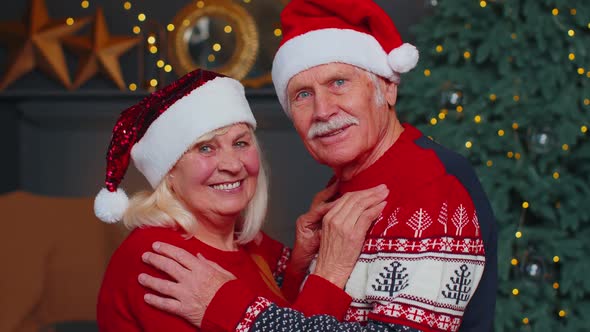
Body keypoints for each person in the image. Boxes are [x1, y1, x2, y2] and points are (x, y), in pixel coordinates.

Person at [139, 0, 498, 331]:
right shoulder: (348, 185)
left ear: (388, 88)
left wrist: (230, 308)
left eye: (339, 83)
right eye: (303, 95)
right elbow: (316, 314)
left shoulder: (430, 185)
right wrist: (299, 267)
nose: (323, 110)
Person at [93, 68, 390, 331]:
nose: (233, 165)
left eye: (240, 143)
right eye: (205, 148)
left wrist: (300, 262)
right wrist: (329, 274)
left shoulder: (251, 243)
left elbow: (282, 314)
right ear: (168, 172)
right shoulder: (158, 258)